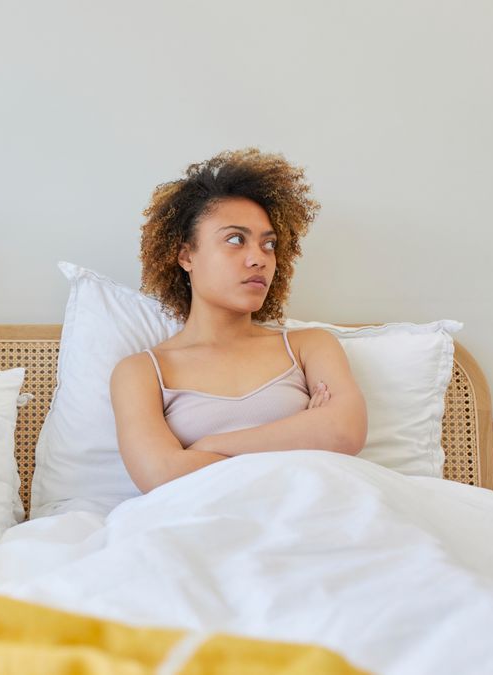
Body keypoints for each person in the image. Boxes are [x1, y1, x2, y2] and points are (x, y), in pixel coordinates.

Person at [110, 148, 367, 493]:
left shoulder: (310, 346)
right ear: (186, 255)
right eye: (235, 239)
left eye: (269, 244)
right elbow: (160, 475)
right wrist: (303, 431)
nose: (258, 259)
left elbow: (344, 432)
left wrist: (205, 446)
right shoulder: (141, 372)